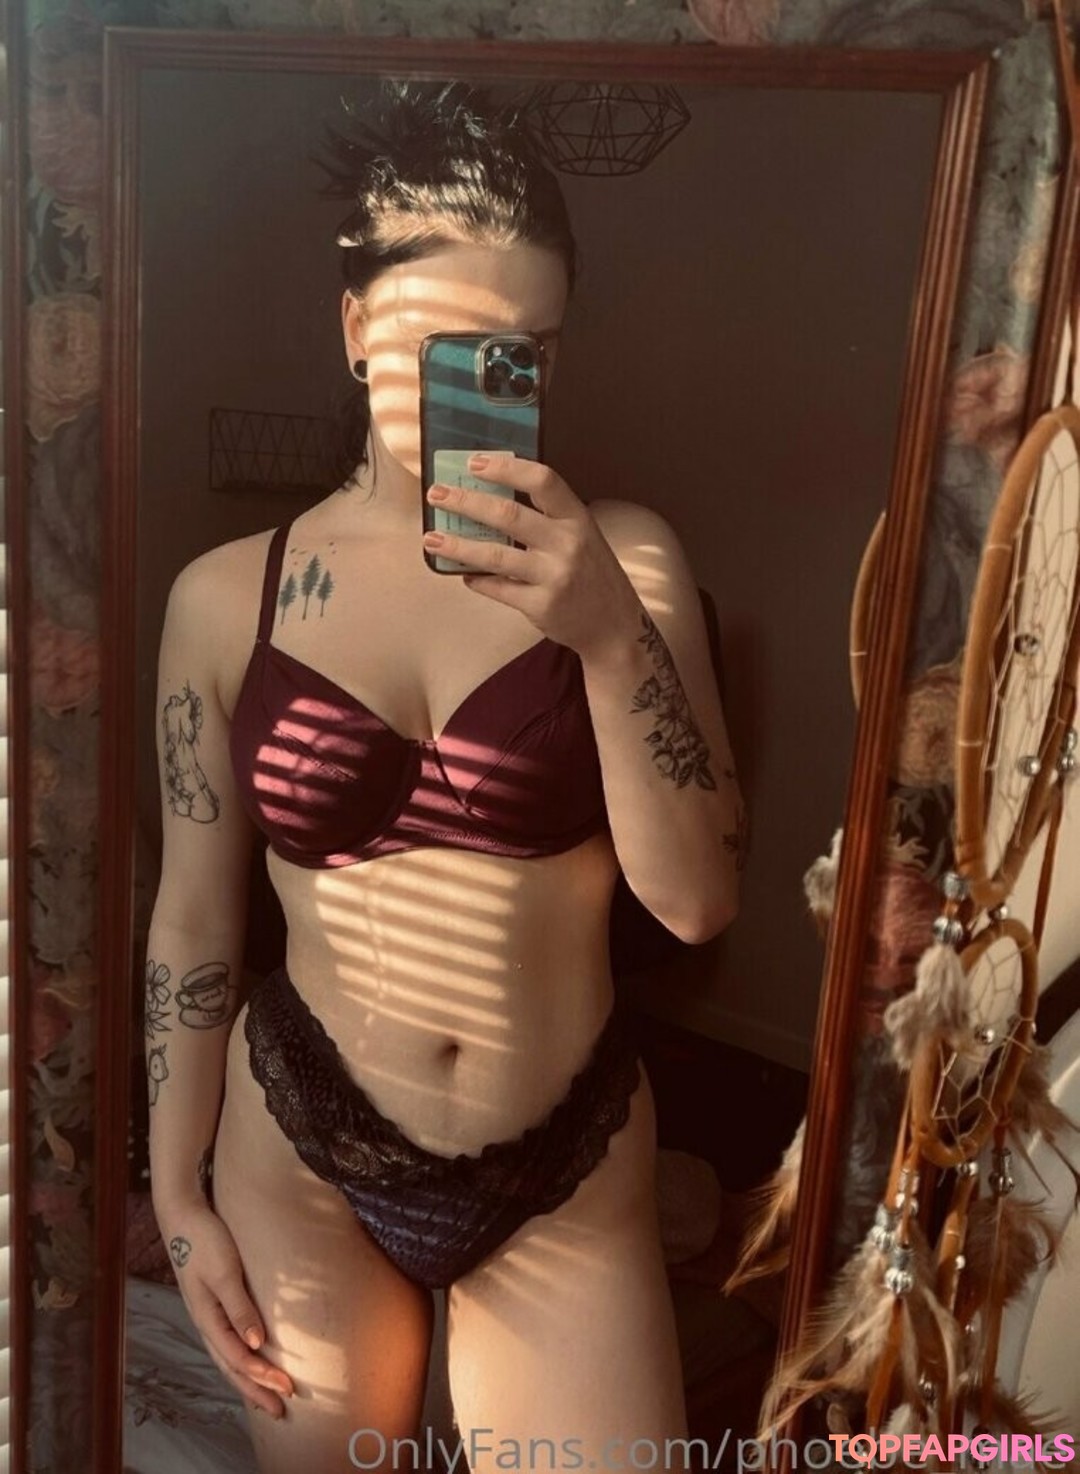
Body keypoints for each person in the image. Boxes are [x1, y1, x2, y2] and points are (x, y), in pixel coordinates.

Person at [145, 82, 743, 1474]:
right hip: (303, 1145)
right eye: (451, 344)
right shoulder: (227, 598)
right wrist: (176, 1196)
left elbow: (700, 902)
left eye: (527, 350)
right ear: (359, 330)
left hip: (565, 1162)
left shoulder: (629, 562)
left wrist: (605, 632)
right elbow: (194, 917)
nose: (493, 380)